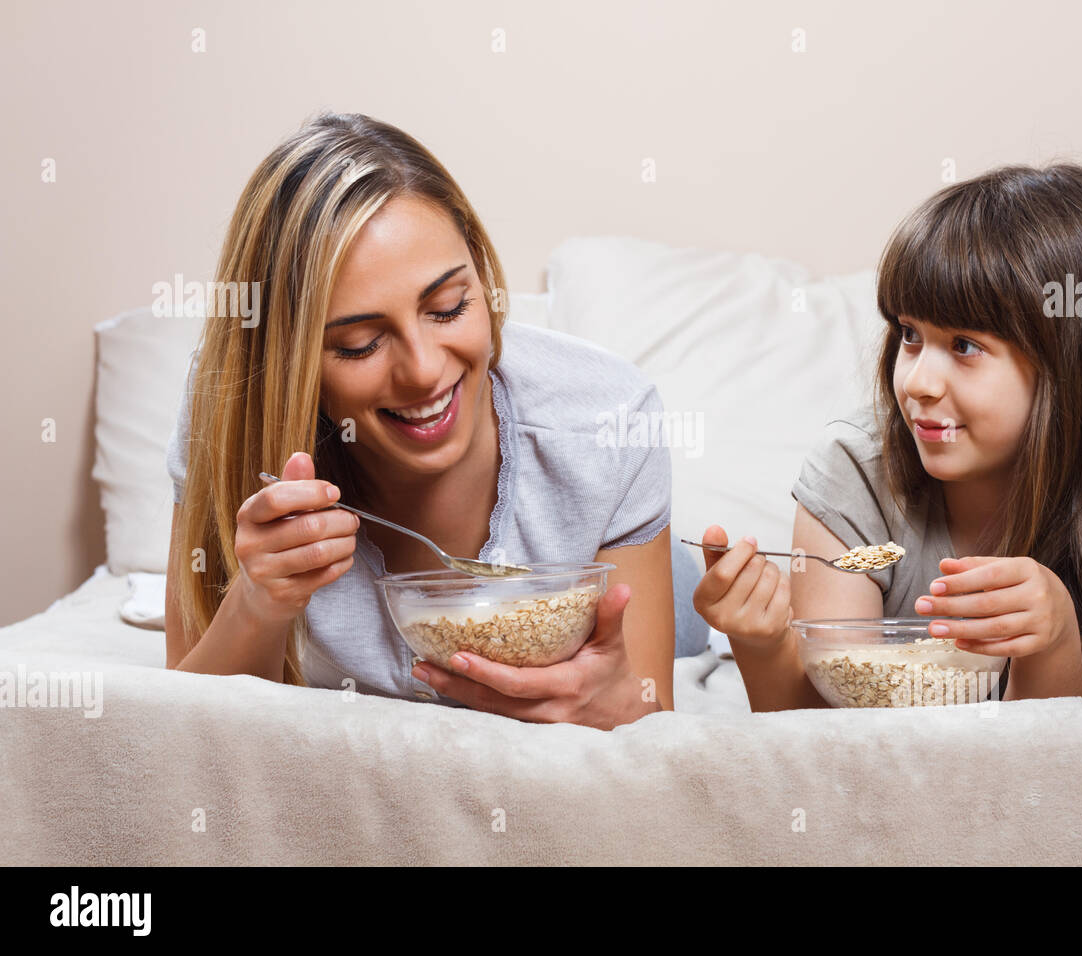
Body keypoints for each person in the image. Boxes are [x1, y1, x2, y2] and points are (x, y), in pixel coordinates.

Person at [165, 111, 702, 729]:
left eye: (447, 309)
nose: (422, 372)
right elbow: (190, 729)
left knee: (694, 621)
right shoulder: (232, 409)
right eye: (360, 344)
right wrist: (257, 604)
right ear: (288, 361)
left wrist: (617, 706)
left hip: (628, 556)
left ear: (480, 270)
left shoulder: (610, 418)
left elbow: (651, 720)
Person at [694, 163, 1082, 709]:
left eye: (965, 347)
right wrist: (764, 645)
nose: (917, 381)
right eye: (910, 334)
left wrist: (1051, 645)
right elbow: (826, 741)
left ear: (1076, 368)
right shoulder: (857, 476)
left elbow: (1075, 778)